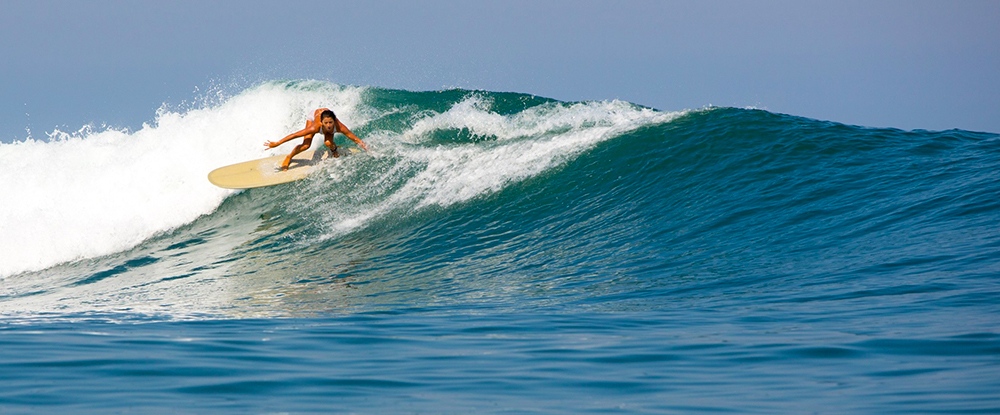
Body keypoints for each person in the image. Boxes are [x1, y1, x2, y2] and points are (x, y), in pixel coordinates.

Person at [264, 108, 369, 170]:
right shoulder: (315, 126)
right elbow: (295, 135)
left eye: (330, 123)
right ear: (322, 123)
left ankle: (334, 150)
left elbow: (355, 139)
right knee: (306, 145)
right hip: (314, 116)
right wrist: (277, 143)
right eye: (326, 123)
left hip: (325, 114)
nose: (328, 125)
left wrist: (367, 148)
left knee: (328, 142)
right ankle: (289, 157)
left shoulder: (339, 126)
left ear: (334, 121)